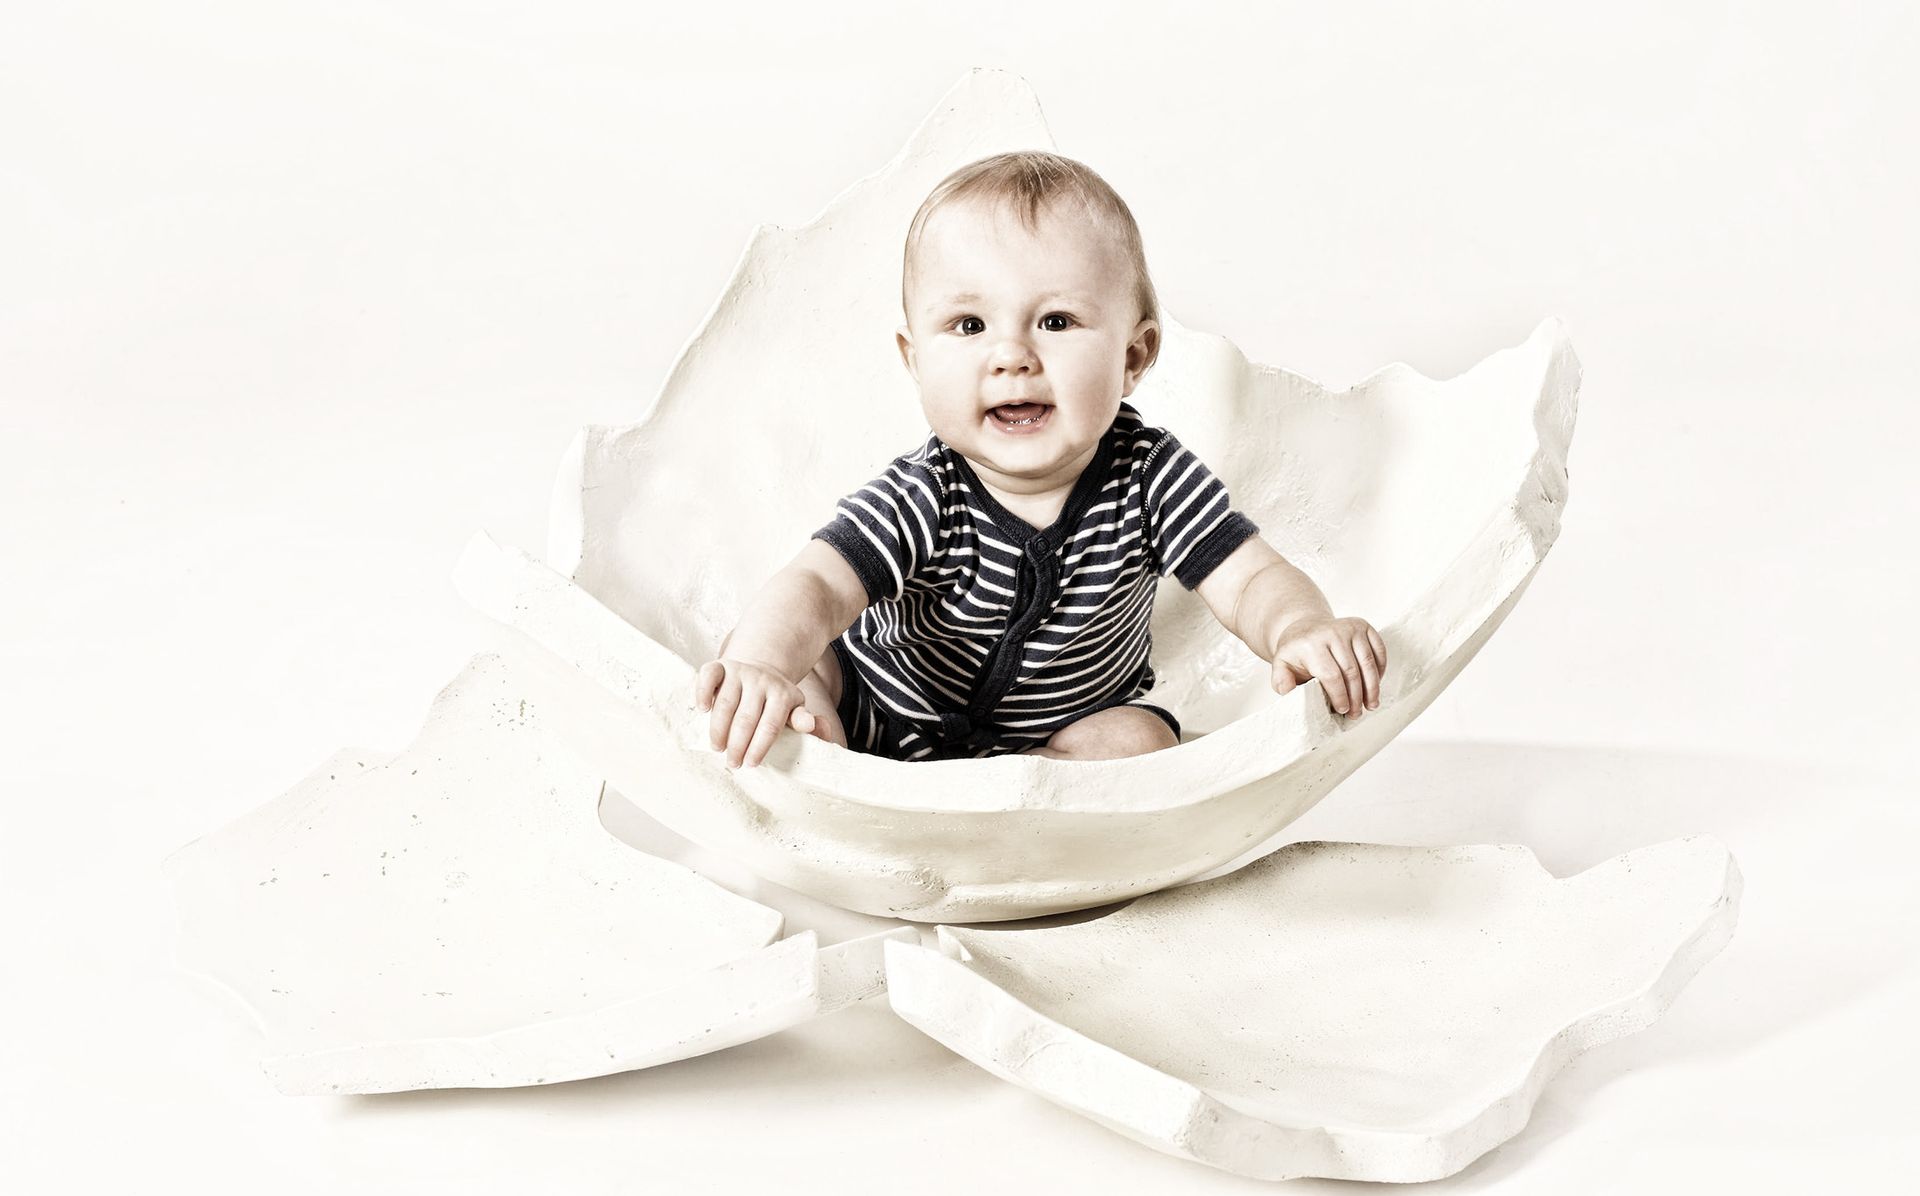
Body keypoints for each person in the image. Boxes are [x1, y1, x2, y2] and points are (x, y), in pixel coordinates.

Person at [694, 150, 1385, 769]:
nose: (1012, 355)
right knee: (790, 660)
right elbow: (818, 584)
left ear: (1133, 356)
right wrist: (763, 664)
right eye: (969, 325)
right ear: (916, 359)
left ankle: (1027, 808)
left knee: (1140, 741)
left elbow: (1250, 576)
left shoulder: (1149, 475)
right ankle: (830, 763)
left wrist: (1299, 628)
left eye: (1055, 321)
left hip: (1063, 738)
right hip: (881, 714)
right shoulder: (924, 492)